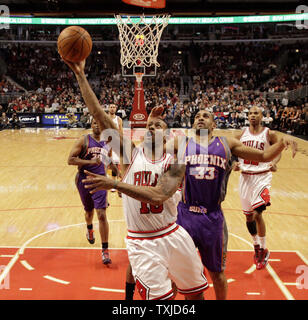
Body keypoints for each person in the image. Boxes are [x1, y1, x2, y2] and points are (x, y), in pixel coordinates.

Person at [82, 108, 297, 300]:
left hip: (212, 217)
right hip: (184, 215)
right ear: (192, 124)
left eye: (205, 116)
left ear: (213, 124)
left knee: (217, 273)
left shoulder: (226, 143)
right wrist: (152, 125)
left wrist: (282, 142)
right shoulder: (180, 143)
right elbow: (151, 146)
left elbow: (263, 155)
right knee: (177, 276)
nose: (200, 119)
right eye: (197, 116)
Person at [63, 58, 209, 300]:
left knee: (196, 297)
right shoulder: (130, 155)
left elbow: (160, 195)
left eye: (157, 125)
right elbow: (99, 115)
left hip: (173, 233)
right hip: (142, 242)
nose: (151, 127)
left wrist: (115, 184)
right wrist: (80, 75)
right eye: (149, 125)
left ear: (168, 134)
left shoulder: (176, 161)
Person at [233, 106, 284, 270]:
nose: (253, 116)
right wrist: (234, 162)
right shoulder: (241, 134)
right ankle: (256, 245)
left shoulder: (269, 133)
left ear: (263, 116)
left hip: (262, 177)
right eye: (251, 114)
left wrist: (274, 163)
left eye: (256, 113)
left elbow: (278, 150)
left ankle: (263, 248)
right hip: (245, 177)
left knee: (257, 214)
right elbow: (232, 151)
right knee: (248, 217)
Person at [67, 118, 118, 265]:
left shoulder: (107, 142)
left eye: (99, 123)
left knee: (101, 214)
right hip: (83, 179)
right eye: (95, 122)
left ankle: (105, 250)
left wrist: (117, 175)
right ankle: (89, 228)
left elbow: (108, 160)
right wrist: (90, 162)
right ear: (91, 125)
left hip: (100, 180)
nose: (97, 125)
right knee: (89, 212)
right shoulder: (83, 140)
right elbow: (70, 160)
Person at [108, 104, 123, 192]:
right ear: (108, 108)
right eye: (111, 107)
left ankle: (114, 184)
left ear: (116, 109)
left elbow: (121, 132)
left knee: (115, 163)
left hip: (115, 142)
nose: (112, 108)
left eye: (114, 107)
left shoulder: (119, 119)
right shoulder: (105, 118)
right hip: (106, 142)